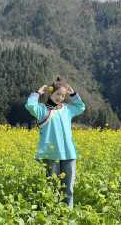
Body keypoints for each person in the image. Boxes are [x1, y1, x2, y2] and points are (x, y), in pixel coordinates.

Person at [24, 77, 86, 209]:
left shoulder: (67, 109)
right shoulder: (41, 110)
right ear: (51, 93)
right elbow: (30, 105)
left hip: (69, 154)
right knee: (52, 189)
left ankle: (67, 217)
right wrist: (37, 93)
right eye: (58, 94)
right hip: (50, 155)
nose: (60, 97)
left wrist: (73, 95)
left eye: (63, 95)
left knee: (68, 190)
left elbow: (81, 107)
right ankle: (53, 216)